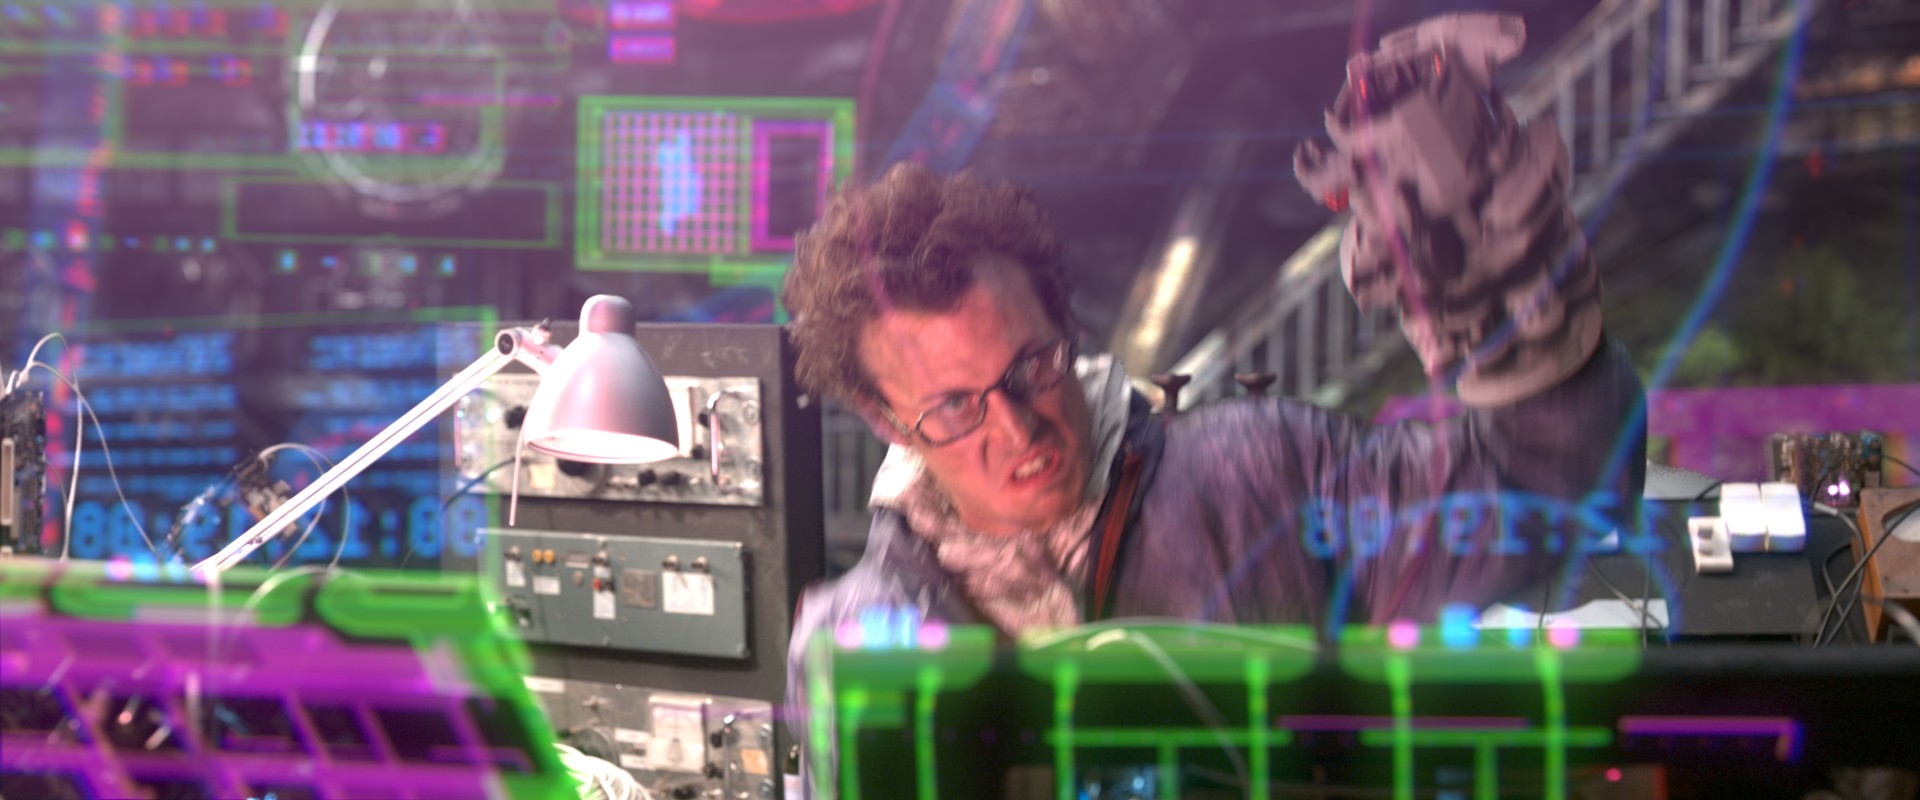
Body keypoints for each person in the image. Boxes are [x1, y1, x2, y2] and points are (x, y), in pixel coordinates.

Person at [779, 12, 1646, 795]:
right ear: (887, 421)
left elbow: (1548, 493)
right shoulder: (857, 638)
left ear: (1070, 332)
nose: (1016, 428)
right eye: (954, 407)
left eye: (1031, 367)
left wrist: (1513, 303)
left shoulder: (1263, 476)